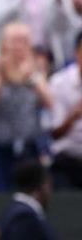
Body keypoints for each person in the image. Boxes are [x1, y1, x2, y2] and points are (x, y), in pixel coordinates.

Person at [0, 22, 53, 191]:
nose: (19, 46)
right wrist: (1, 78)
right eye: (15, 40)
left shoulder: (35, 69)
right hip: (0, 149)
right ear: (4, 43)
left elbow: (49, 102)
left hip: (29, 148)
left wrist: (32, 78)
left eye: (24, 40)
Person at [48, 31, 82, 189]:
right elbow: (53, 134)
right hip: (66, 163)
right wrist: (73, 115)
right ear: (77, 53)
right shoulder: (59, 83)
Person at [0, 160, 56, 240]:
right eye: (49, 185)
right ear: (43, 186)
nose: (50, 193)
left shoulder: (17, 212)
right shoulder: (25, 217)